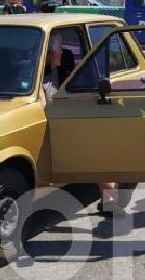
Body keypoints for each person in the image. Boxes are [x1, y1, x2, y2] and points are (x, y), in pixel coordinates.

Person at [39, 32, 119, 213]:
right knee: (98, 147)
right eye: (60, 50)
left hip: (65, 120)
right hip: (54, 128)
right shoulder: (37, 76)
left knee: (100, 141)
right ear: (49, 53)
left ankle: (109, 199)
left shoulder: (55, 69)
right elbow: (45, 109)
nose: (64, 53)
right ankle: (110, 199)